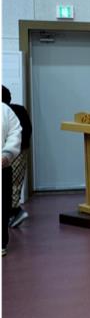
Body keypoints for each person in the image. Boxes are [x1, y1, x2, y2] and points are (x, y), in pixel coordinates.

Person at [2, 86, 32, 228]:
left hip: (15, 151)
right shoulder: (19, 110)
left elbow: (21, 132)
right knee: (14, 183)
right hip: (19, 150)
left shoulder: (10, 112)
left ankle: (14, 212)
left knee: (12, 183)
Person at [2, 102, 22, 256]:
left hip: (2, 167)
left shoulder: (4, 110)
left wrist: (7, 154)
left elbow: (15, 132)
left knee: (3, 206)